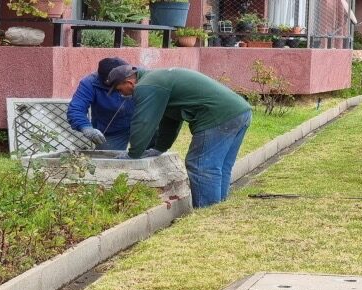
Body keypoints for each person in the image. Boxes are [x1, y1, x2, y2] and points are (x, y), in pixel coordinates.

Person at [106, 65, 252, 208]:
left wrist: (133, 154)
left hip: (218, 116)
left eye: (119, 89)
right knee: (220, 166)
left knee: (202, 166)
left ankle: (207, 215)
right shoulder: (158, 80)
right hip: (240, 112)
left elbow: (144, 121)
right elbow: (171, 120)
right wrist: (159, 148)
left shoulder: (146, 86)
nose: (122, 94)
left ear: (129, 82)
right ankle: (218, 212)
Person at [67, 57, 134, 150]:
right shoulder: (89, 83)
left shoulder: (140, 75)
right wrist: (87, 128)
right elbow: (76, 109)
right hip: (112, 131)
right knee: (108, 162)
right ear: (107, 80)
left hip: (143, 126)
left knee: (152, 158)